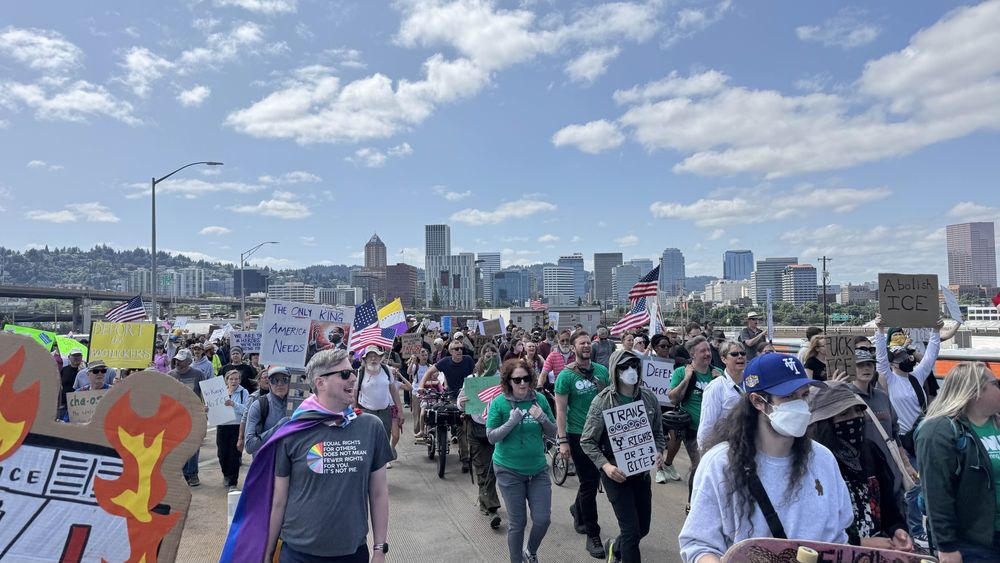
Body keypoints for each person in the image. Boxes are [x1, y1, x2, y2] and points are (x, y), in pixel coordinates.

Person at [678, 354, 851, 563]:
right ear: (758, 401)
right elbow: (699, 545)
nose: (800, 406)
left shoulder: (824, 460)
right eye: (788, 397)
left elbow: (839, 539)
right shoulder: (720, 464)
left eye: (804, 395)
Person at [253, 348, 391, 563]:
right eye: (344, 374)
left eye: (353, 371)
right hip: (298, 554)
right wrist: (267, 553)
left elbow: (379, 492)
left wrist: (379, 550)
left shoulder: (371, 427)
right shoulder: (292, 432)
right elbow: (279, 500)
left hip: (353, 553)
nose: (354, 377)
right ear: (320, 383)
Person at [581, 349, 667, 562]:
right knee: (630, 531)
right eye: (624, 367)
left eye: (634, 366)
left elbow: (658, 432)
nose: (631, 371)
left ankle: (614, 548)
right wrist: (606, 467)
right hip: (615, 474)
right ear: (614, 370)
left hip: (641, 473)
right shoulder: (602, 402)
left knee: (642, 528)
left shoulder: (649, 398)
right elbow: (587, 441)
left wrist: (659, 452)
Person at [808, 382, 912, 551]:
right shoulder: (814, 461)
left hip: (879, 551)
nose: (854, 418)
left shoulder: (870, 450)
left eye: (858, 411)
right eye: (844, 414)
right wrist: (858, 542)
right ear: (824, 422)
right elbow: (814, 524)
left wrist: (897, 530)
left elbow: (888, 503)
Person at [917, 362, 1000, 562]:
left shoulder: (996, 422)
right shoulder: (938, 431)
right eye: (996, 383)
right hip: (972, 543)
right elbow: (936, 492)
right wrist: (946, 547)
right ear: (976, 391)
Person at [876, 315, 943, 545]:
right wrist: (880, 331)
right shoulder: (890, 380)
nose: (906, 359)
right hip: (902, 441)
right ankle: (914, 529)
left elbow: (931, 355)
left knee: (928, 484)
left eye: (907, 355)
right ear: (893, 361)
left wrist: (935, 331)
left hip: (921, 438)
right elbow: (880, 360)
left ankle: (923, 526)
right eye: (901, 356)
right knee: (913, 487)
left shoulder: (917, 377)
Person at [487, 358, 557, 563]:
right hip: (509, 470)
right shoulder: (499, 402)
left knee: (543, 520)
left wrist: (543, 418)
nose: (523, 384)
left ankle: (531, 551)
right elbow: (491, 437)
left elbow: (553, 432)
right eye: (517, 380)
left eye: (526, 378)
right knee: (518, 523)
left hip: (537, 470)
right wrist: (511, 421)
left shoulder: (540, 400)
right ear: (508, 381)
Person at [554, 330, 610, 559]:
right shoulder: (565, 376)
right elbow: (560, 410)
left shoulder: (602, 372)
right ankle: (592, 534)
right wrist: (563, 441)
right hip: (578, 436)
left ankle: (577, 509)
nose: (586, 346)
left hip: (602, 434)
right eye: (582, 343)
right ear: (573, 348)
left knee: (593, 479)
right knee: (588, 482)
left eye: (589, 342)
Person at [663, 336, 721, 506]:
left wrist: (720, 380)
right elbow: (673, 399)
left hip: (716, 430)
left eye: (708, 350)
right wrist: (686, 379)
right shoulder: (681, 372)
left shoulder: (718, 372)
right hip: (693, 430)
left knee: (714, 468)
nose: (707, 353)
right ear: (692, 354)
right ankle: (692, 504)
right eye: (702, 351)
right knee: (699, 465)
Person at [457, 344, 503, 528]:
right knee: (482, 469)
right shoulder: (472, 379)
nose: (490, 358)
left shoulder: (503, 379)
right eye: (487, 355)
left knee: (494, 469)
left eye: (494, 355)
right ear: (481, 358)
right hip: (476, 429)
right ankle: (491, 509)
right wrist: (462, 402)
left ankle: (485, 500)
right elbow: (461, 403)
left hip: (498, 430)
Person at [421, 339, 476, 468]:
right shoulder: (445, 362)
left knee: (466, 427)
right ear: (451, 351)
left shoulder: (468, 360)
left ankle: (466, 456)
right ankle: (464, 456)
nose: (460, 351)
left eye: (461, 348)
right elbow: (429, 372)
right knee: (455, 423)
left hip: (467, 397)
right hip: (451, 397)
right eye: (456, 349)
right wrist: (421, 386)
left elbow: (475, 375)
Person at [352, 346, 403, 465]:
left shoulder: (386, 370)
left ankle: (383, 460)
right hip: (366, 412)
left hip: (385, 411)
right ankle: (370, 462)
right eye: (370, 356)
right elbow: (354, 394)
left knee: (385, 437)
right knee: (368, 439)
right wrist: (353, 411)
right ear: (365, 360)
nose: (373, 358)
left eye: (375, 356)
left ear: (380, 358)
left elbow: (394, 391)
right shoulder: (360, 372)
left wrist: (400, 410)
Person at [168, 348, 209, 486]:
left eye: (181, 360)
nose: (178, 362)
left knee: (193, 445)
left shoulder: (198, 374)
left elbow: (206, 393)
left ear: (189, 361)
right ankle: (182, 474)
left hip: (194, 415)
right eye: (177, 360)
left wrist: (207, 408)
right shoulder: (170, 375)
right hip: (176, 417)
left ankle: (192, 474)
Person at [696, 340, 747, 451]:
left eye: (743, 353)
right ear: (724, 359)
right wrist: (703, 453)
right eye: (734, 354)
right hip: (727, 447)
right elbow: (707, 424)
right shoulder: (715, 387)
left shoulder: (753, 382)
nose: (740, 357)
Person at [244, 366, 292, 457]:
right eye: (274, 380)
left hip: (292, 466)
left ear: (290, 382)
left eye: (284, 379)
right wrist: (278, 428)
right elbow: (249, 445)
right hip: (267, 466)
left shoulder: (301, 405)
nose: (280, 384)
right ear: (269, 382)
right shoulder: (259, 405)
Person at [218, 369, 250, 492]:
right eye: (231, 379)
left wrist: (234, 404)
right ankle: (226, 474)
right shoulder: (220, 392)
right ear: (226, 380)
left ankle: (233, 481)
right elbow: (214, 407)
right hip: (222, 426)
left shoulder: (244, 392)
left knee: (234, 455)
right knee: (222, 454)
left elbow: (246, 410)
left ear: (240, 380)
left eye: (236, 379)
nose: (234, 381)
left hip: (236, 426)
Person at [237, 371, 269, 453]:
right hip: (258, 437)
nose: (267, 379)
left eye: (269, 377)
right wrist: (241, 438)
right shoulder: (253, 397)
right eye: (265, 377)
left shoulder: (278, 396)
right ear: (259, 381)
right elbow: (245, 417)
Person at [408, 347, 431, 442]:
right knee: (416, 413)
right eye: (422, 355)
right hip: (416, 392)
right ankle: (417, 433)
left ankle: (428, 433)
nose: (424, 357)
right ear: (419, 356)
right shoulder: (415, 366)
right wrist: (412, 362)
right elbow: (408, 372)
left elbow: (436, 375)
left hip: (427, 393)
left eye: (426, 355)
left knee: (427, 413)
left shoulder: (430, 366)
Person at [59, 348, 85, 419]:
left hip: (79, 404)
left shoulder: (86, 371)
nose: (77, 358)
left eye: (79, 356)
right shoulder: (64, 369)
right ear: (69, 357)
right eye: (74, 356)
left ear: (82, 357)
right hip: (64, 404)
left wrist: (82, 371)